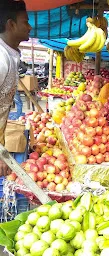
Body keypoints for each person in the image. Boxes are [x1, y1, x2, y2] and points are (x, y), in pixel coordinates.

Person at [0, 0, 32, 176]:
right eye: (25, 21)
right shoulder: (1, 59)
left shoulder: (8, 55)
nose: (30, 27)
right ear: (10, 24)